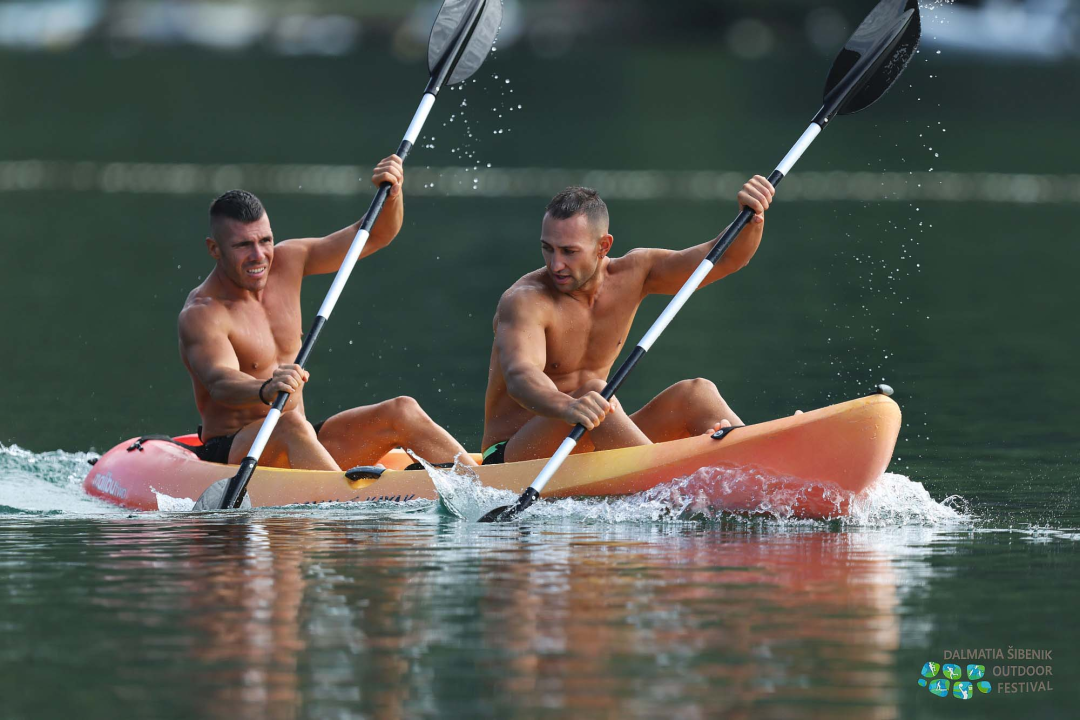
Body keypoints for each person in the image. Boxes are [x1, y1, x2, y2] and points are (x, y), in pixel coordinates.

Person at [178, 155, 475, 470]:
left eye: (265, 240)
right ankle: (345, 497)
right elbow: (220, 382)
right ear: (214, 249)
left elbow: (374, 235)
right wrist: (265, 388)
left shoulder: (290, 260)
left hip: (300, 437)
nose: (259, 255)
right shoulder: (202, 312)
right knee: (290, 424)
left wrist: (393, 194)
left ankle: (484, 487)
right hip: (235, 450)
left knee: (402, 410)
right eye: (242, 245)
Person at [480, 176, 776, 464]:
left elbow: (723, 258)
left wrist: (751, 219)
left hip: (589, 439)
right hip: (514, 456)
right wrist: (568, 406)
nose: (556, 264)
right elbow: (521, 377)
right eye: (548, 248)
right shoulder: (525, 300)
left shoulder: (635, 273)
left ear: (603, 246)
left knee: (697, 393)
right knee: (597, 393)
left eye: (569, 251)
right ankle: (672, 480)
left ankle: (761, 464)